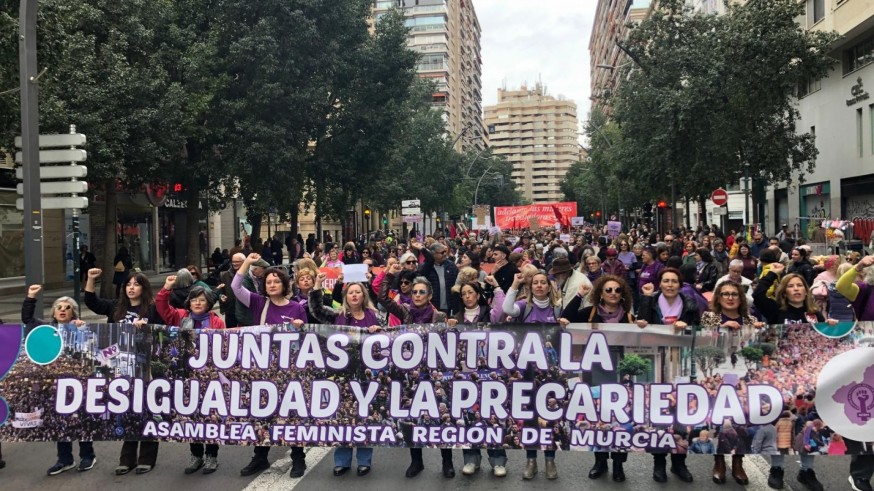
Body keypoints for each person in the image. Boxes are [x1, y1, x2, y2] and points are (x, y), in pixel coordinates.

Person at [753, 261, 835, 491]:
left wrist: (831, 327)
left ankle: (807, 471)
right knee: (783, 422)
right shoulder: (776, 311)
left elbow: (822, 342)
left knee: (809, 424)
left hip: (809, 378)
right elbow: (758, 295)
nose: (797, 289)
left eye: (800, 286)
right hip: (782, 376)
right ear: (785, 290)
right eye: (792, 286)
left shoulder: (814, 313)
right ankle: (776, 468)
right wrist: (772, 273)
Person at [232, 253, 309, 478]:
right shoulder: (258, 302)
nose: (272, 284)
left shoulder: (296, 308)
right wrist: (247, 262)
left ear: (284, 285)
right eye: (268, 282)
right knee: (262, 414)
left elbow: (306, 340)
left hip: (288, 371)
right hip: (263, 370)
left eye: (276, 281)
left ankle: (298, 458)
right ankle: (260, 456)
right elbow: (236, 287)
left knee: (291, 415)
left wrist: (299, 326)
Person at [377, 263, 454, 478]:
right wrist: (389, 274)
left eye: (421, 292)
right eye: (414, 292)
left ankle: (447, 462)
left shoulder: (439, 317)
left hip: (432, 374)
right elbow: (383, 299)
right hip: (409, 374)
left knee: (439, 416)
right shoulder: (405, 312)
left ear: (429, 296)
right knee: (412, 416)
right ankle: (416, 461)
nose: (417, 295)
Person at [84, 268, 163, 475]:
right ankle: (127, 458)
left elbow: (164, 332)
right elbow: (92, 302)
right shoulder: (115, 307)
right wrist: (91, 279)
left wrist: (146, 327)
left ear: (143, 288)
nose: (131, 288)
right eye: (128, 284)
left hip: (145, 369)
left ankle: (147, 457)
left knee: (146, 411)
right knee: (127, 411)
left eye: (136, 284)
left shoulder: (152, 309)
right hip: (119, 369)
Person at [559, 275, 632, 482]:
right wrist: (580, 294)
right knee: (597, 419)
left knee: (618, 421)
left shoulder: (628, 317)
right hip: (593, 376)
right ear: (600, 293)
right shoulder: (588, 314)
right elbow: (566, 317)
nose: (613, 294)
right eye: (608, 290)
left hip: (618, 377)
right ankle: (600, 461)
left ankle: (618, 464)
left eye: (617, 290)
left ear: (622, 294)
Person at [22, 285, 96, 475]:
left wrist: (83, 330)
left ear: (74, 313)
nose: (63, 309)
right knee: (60, 421)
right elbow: (28, 320)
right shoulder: (46, 329)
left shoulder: (82, 329)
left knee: (80, 420)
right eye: (59, 307)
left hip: (78, 384)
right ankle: (64, 459)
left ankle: (87, 455)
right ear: (53, 312)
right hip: (56, 385)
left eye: (67, 307)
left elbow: (91, 351)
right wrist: (31, 297)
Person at [308, 276, 378, 477]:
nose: (354, 295)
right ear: (346, 297)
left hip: (366, 375)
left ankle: (364, 460)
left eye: (358, 292)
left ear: (363, 296)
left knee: (364, 418)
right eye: (351, 292)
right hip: (341, 376)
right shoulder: (337, 316)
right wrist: (318, 286)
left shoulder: (375, 316)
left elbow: (387, 339)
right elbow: (316, 310)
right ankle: (342, 461)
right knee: (342, 418)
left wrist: (378, 331)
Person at [156, 278, 225, 475]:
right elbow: (162, 306)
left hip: (208, 376)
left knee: (209, 417)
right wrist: (167, 287)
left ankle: (212, 456)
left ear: (209, 303)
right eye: (194, 299)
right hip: (186, 376)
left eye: (202, 300)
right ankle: (196, 455)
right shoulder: (180, 317)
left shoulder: (216, 321)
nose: (197, 303)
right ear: (189, 302)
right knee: (191, 416)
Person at [635, 267, 697, 484]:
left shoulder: (689, 304)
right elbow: (640, 325)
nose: (670, 285)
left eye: (674, 281)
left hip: (681, 364)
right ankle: (659, 464)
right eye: (666, 281)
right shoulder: (650, 301)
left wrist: (688, 326)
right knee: (659, 418)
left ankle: (679, 463)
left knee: (680, 418)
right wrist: (642, 317)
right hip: (658, 364)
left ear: (680, 285)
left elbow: (698, 330)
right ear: (660, 284)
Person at [701, 281, 763, 485]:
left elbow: (758, 343)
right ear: (718, 298)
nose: (729, 297)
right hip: (719, 372)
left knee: (741, 420)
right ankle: (719, 461)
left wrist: (757, 331)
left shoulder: (751, 319)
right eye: (725, 294)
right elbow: (702, 339)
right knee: (719, 420)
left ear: (740, 298)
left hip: (741, 374)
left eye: (734, 294)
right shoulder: (709, 318)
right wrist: (720, 328)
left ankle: (738, 461)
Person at [501, 270, 561, 480]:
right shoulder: (524, 306)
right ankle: (531, 459)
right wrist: (515, 285)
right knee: (530, 416)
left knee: (550, 416)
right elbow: (506, 308)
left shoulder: (557, 308)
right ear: (531, 286)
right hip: (527, 372)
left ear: (548, 286)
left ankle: (550, 459)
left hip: (550, 374)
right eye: (535, 283)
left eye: (543, 283)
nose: (539, 286)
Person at [445, 282, 508, 478]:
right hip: (466, 377)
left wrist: (497, 288)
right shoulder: (456, 318)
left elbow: (502, 309)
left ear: (478, 294)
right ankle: (471, 458)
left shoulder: (489, 314)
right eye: (463, 294)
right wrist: (450, 328)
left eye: (470, 292)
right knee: (470, 418)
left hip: (490, 374)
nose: (467, 296)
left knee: (491, 416)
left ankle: (498, 460)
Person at [833, 255, 874, 491]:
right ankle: (860, 474)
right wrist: (858, 266)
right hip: (868, 361)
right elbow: (841, 286)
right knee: (868, 422)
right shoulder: (865, 290)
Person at [418, 242, 458, 316]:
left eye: (445, 252)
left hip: (449, 307)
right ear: (434, 254)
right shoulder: (426, 268)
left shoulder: (451, 266)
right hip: (432, 307)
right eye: (442, 252)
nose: (445, 254)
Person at [219, 253, 245, 327]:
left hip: (245, 311)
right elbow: (221, 292)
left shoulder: (248, 275)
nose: (234, 263)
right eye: (233, 261)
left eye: (237, 262)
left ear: (244, 262)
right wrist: (222, 306)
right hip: (230, 310)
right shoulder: (225, 275)